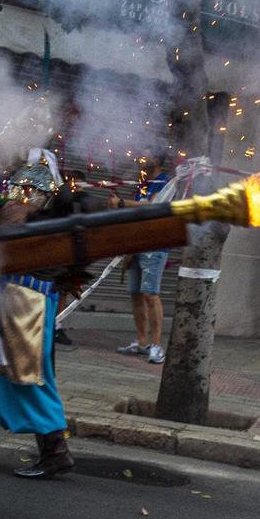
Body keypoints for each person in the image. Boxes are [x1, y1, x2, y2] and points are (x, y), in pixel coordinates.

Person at [0, 148, 77, 479]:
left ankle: (55, 452)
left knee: (28, 378)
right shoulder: (21, 195)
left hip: (25, 299)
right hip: (9, 293)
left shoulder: (39, 204)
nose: (23, 197)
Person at [118, 156, 172, 364]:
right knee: (136, 294)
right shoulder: (143, 183)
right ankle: (142, 342)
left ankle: (157, 346)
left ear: (157, 160)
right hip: (137, 244)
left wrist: (121, 203)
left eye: (147, 153)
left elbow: (151, 206)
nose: (142, 157)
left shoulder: (164, 182)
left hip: (155, 245)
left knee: (150, 294)